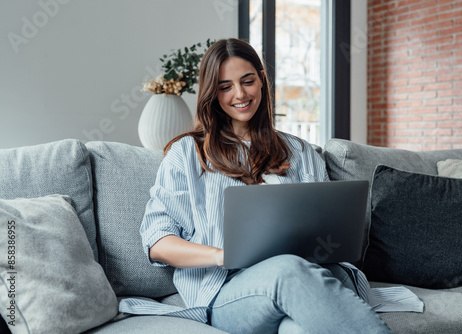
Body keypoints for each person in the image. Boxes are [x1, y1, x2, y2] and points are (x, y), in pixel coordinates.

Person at [126, 38, 393, 333]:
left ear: (262, 81)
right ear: (211, 93)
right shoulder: (187, 154)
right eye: (225, 86)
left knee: (296, 328)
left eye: (247, 81)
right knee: (288, 269)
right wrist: (221, 255)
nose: (239, 94)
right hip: (230, 292)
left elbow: (328, 229)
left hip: (312, 277)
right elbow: (158, 243)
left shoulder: (301, 152)